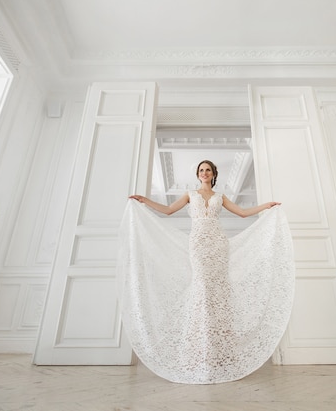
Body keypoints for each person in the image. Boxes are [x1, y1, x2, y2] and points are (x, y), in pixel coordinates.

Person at [119, 160, 295, 384]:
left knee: (217, 293)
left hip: (219, 245)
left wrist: (266, 206)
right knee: (201, 291)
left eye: (208, 170)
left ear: (213, 174)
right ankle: (196, 353)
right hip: (199, 244)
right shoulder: (190, 194)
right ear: (197, 174)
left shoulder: (220, 197)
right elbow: (169, 210)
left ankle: (221, 354)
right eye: (201, 170)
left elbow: (242, 213)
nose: (204, 173)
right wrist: (145, 201)